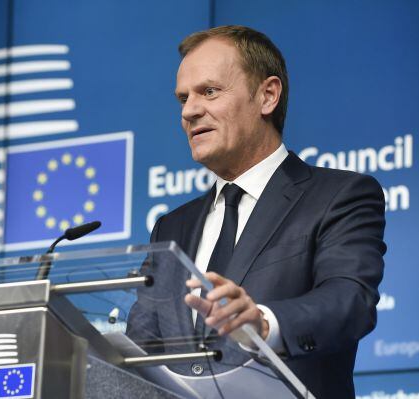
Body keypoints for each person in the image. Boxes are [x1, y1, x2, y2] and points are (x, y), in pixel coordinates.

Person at [127, 25, 386, 399]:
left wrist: (263, 324)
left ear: (267, 96)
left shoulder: (339, 195)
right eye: (183, 98)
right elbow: (141, 347)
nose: (189, 111)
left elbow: (349, 301)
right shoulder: (171, 227)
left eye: (209, 92)